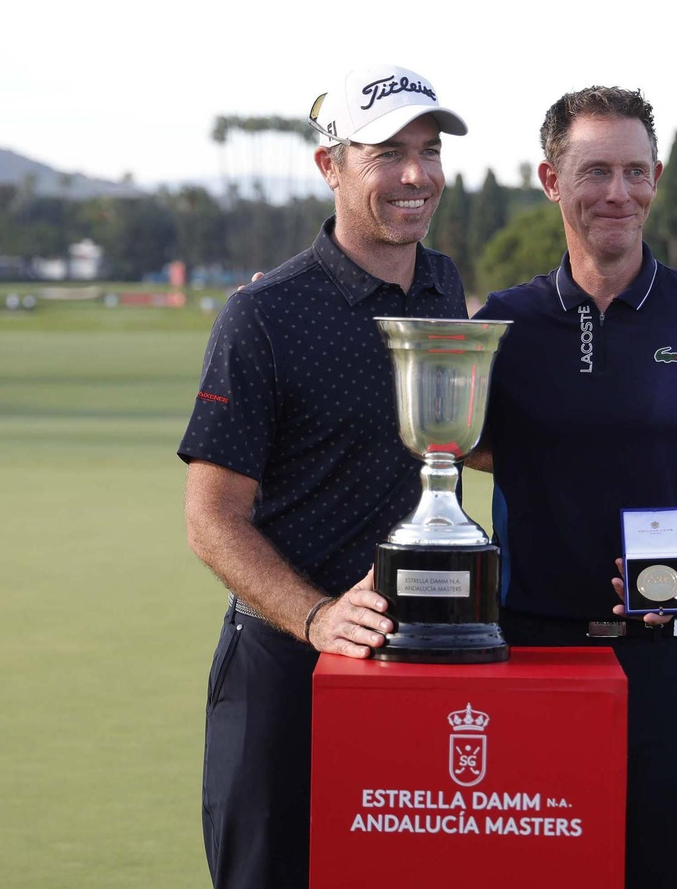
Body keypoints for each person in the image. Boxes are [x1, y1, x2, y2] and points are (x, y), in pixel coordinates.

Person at [466, 86, 677, 889]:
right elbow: (453, 443)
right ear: (550, 179)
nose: (620, 193)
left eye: (637, 172)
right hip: (533, 651)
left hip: (674, 665)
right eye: (596, 171)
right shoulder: (504, 320)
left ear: (655, 179)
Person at [177, 64, 469, 889]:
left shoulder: (445, 289)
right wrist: (316, 617)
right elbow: (212, 518)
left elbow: (457, 444)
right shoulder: (263, 315)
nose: (416, 175)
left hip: (415, 664)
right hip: (287, 669)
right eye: (387, 154)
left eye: (429, 150)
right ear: (331, 166)